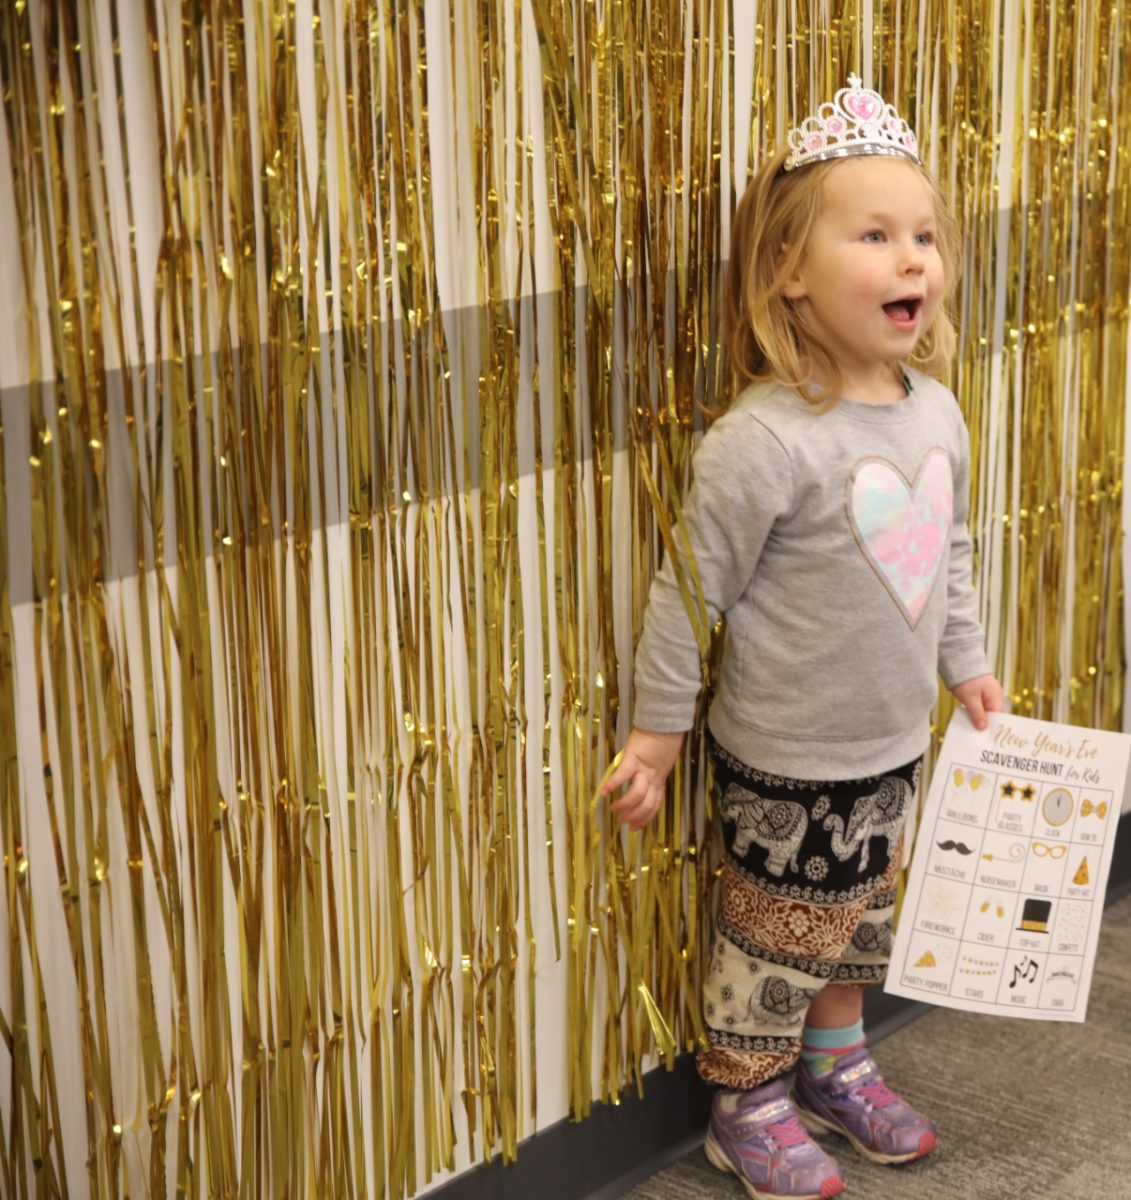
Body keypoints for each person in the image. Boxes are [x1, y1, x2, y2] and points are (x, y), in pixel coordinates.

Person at [601, 76, 1003, 1200]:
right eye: (874, 235)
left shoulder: (936, 412)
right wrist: (657, 736)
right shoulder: (765, 440)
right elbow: (690, 595)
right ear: (791, 269)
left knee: (857, 921)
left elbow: (948, 555)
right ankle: (748, 1102)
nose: (913, 258)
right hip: (783, 757)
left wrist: (965, 663)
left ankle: (836, 1065)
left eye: (924, 235)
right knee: (774, 940)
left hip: (889, 743)